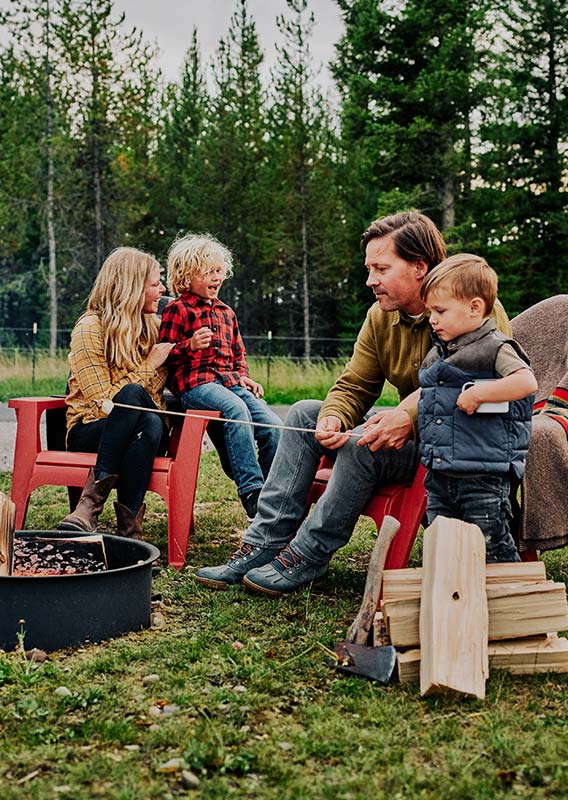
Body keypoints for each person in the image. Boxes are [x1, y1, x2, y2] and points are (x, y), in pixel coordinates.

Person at [195, 211, 513, 596]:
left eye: (381, 268)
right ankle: (264, 543)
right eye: (369, 268)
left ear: (419, 267)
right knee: (305, 412)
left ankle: (309, 555)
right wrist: (333, 416)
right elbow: (355, 384)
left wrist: (405, 417)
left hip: (455, 448)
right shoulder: (380, 317)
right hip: (408, 436)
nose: (370, 280)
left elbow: (466, 385)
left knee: (365, 441)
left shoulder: (473, 308)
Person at [412, 253, 537, 562]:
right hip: (441, 473)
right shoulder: (438, 355)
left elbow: (526, 382)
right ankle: (453, 599)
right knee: (443, 542)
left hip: (483, 474)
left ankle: (510, 597)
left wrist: (481, 394)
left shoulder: (496, 348)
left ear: (475, 307)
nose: (433, 319)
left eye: (440, 311)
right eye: (431, 312)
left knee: (490, 542)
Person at [159, 234, 282, 521]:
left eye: (219, 272)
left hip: (230, 383)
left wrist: (245, 377)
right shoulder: (178, 310)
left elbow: (238, 356)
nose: (216, 278)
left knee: (274, 426)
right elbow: (164, 354)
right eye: (208, 272)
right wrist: (188, 346)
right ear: (186, 277)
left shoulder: (227, 312)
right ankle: (251, 491)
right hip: (196, 383)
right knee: (235, 410)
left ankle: (272, 491)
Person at [58, 247, 174, 538]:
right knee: (141, 411)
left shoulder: (158, 329)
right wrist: (149, 365)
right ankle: (130, 536)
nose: (163, 289)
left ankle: (89, 507)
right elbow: (103, 404)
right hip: (91, 430)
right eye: (155, 283)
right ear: (132, 287)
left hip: (146, 433)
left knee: (147, 419)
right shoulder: (90, 328)